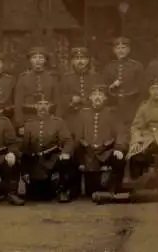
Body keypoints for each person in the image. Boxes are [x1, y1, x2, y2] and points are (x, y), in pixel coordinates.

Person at [73, 85, 129, 203]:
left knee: (119, 159)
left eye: (100, 95)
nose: (97, 97)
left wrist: (119, 147)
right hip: (88, 153)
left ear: (105, 99)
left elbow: (121, 132)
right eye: (94, 95)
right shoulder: (83, 114)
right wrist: (81, 156)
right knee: (91, 192)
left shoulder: (112, 113)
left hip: (106, 152)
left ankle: (113, 190)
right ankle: (73, 191)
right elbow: (78, 136)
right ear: (90, 98)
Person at [59, 46, 102, 198]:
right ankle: (73, 187)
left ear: (88, 60)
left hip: (91, 117)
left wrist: (83, 100)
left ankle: (92, 186)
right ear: (72, 61)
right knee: (74, 149)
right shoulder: (66, 78)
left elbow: (100, 97)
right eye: (77, 59)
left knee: (90, 149)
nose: (80, 62)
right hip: (72, 118)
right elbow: (60, 98)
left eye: (83, 58)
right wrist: (71, 101)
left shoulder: (96, 77)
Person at [21, 95, 75, 203]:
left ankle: (62, 190)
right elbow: (25, 149)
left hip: (53, 159)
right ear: (35, 106)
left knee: (65, 161)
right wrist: (25, 171)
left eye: (46, 104)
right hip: (36, 162)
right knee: (37, 197)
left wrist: (65, 153)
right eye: (40, 104)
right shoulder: (29, 124)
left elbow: (68, 141)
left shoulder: (58, 122)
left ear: (50, 106)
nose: (43, 107)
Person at [14, 46, 60, 134]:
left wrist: (57, 122)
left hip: (48, 118)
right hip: (28, 118)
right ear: (30, 60)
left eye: (41, 57)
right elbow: (18, 102)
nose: (37, 60)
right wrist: (20, 124)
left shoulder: (52, 77)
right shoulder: (23, 77)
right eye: (34, 57)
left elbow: (58, 101)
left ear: (45, 60)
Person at [102, 36, 145, 129]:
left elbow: (142, 88)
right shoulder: (109, 67)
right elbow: (104, 87)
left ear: (129, 50)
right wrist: (112, 87)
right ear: (114, 50)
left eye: (123, 48)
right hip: (115, 105)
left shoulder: (136, 66)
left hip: (132, 105)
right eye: (118, 48)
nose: (121, 51)